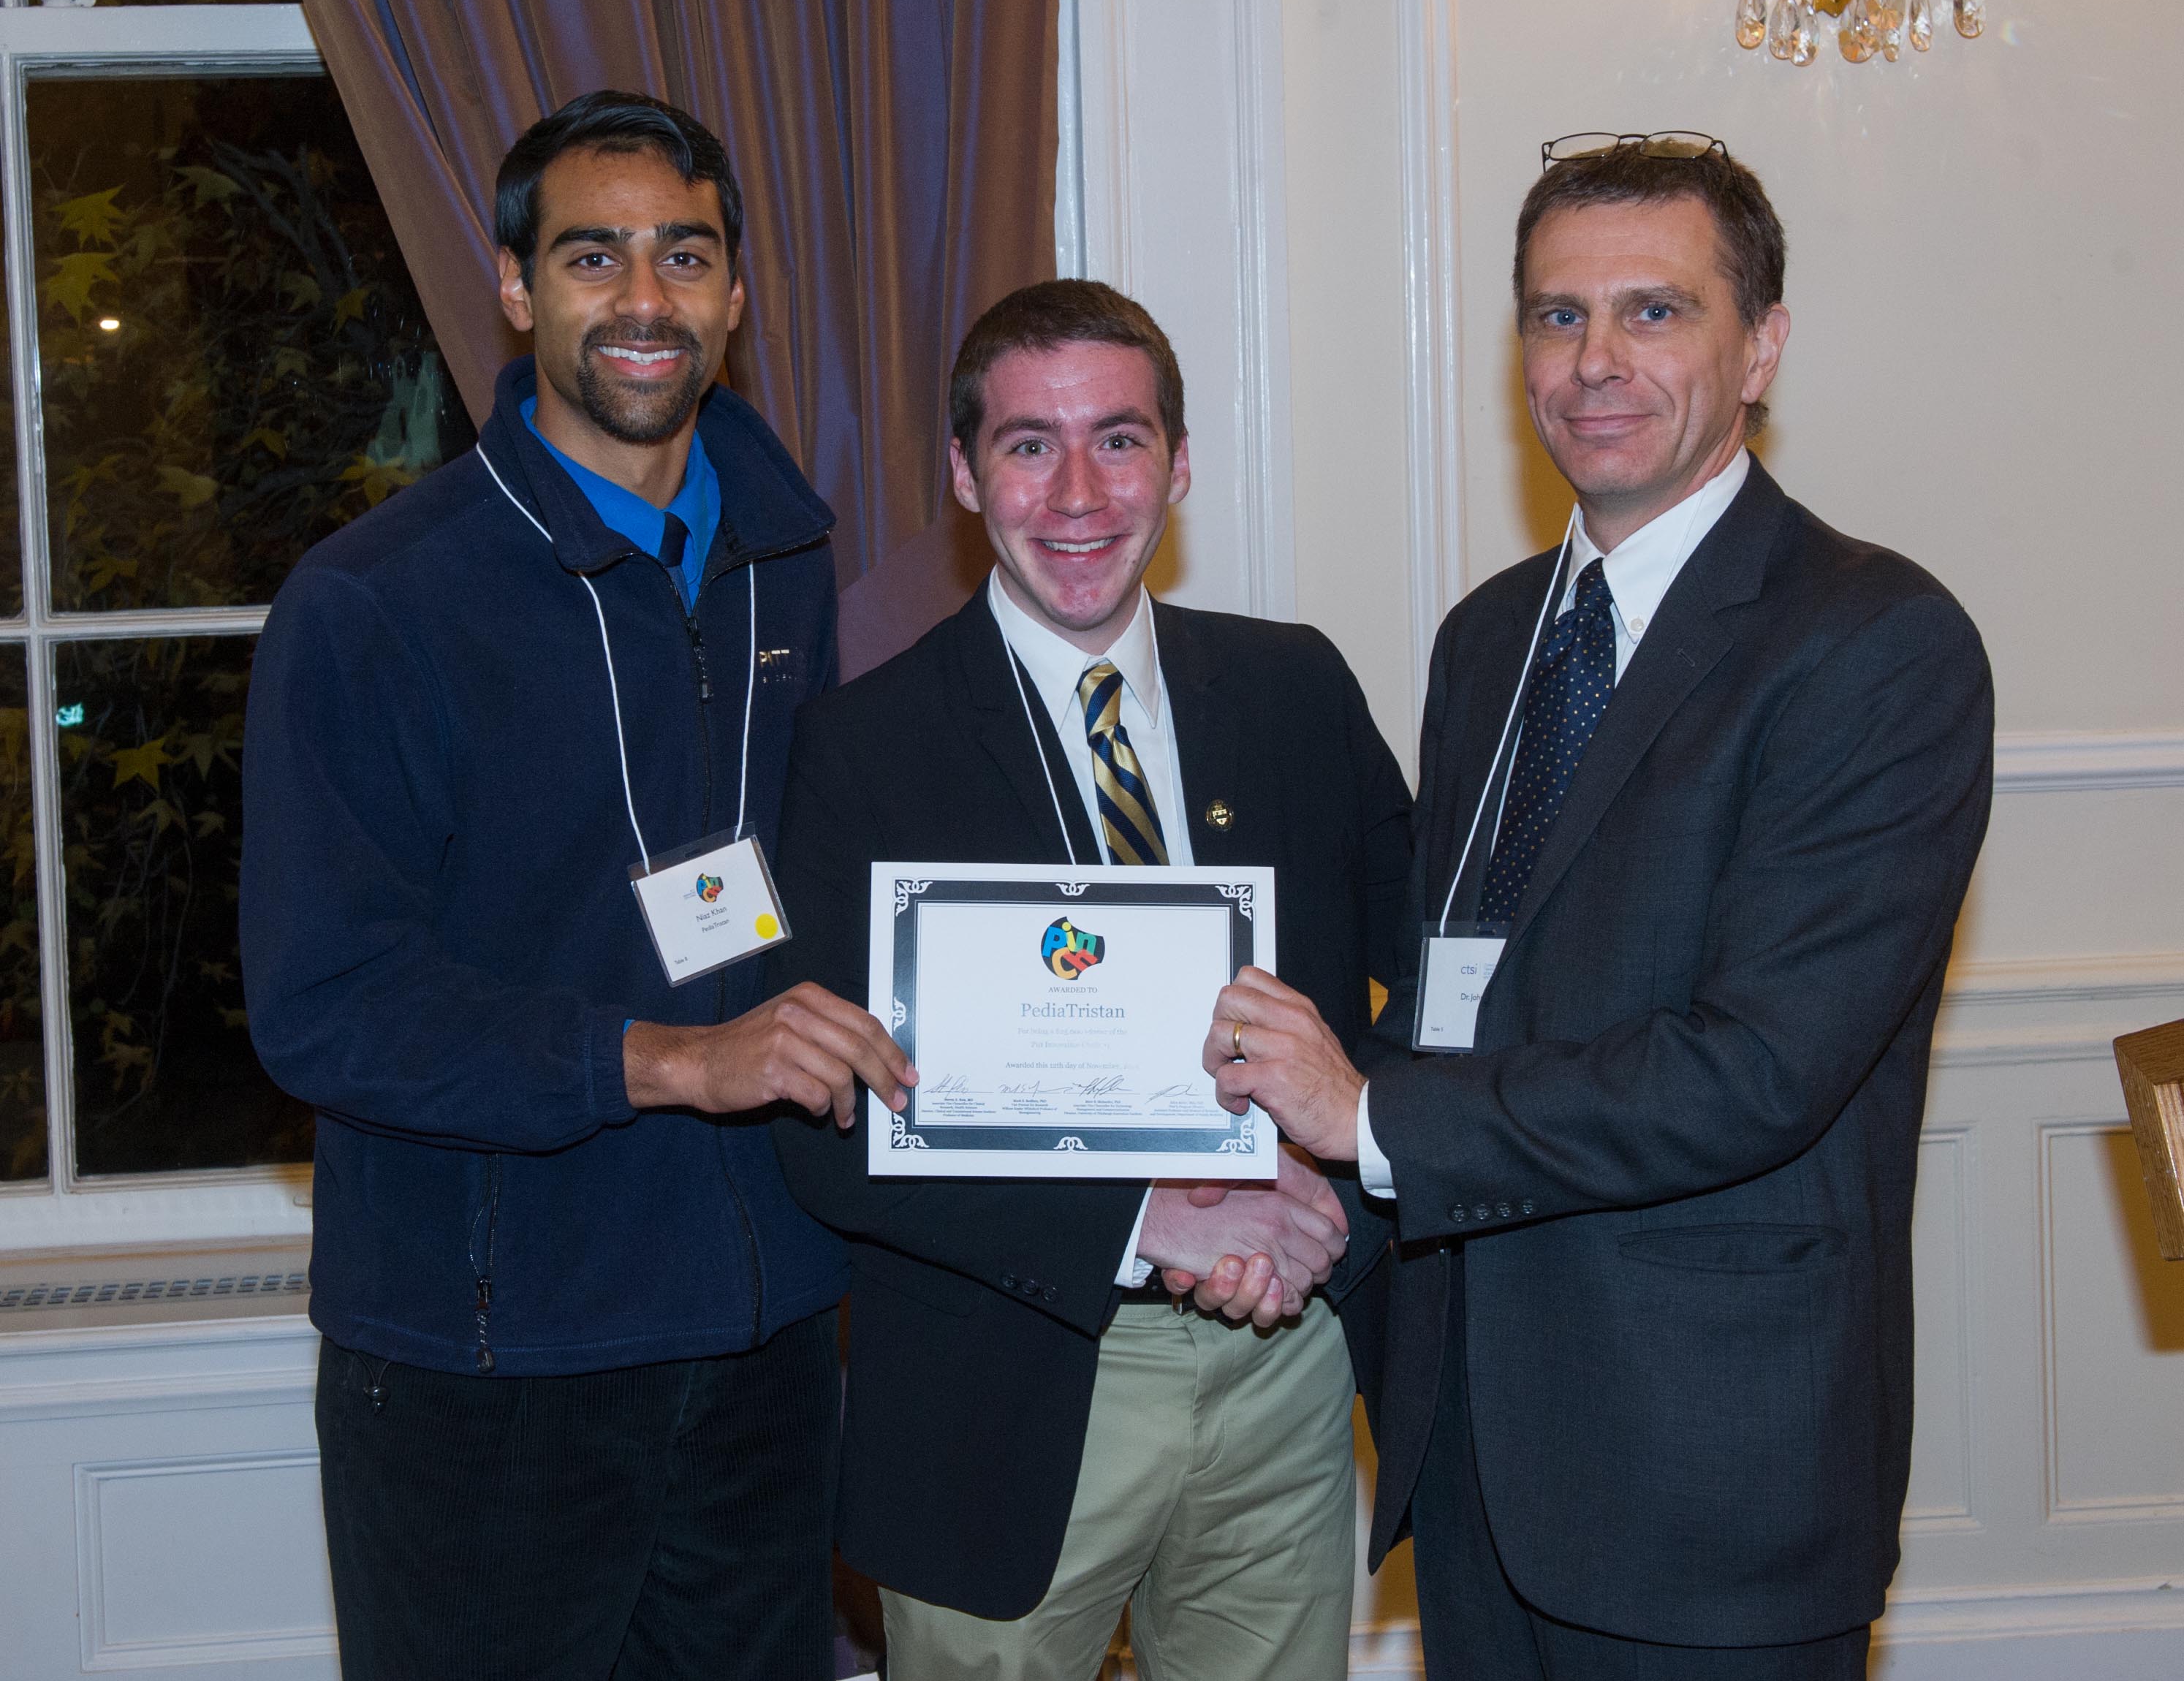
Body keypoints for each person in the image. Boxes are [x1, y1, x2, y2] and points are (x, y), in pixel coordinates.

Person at [1205, 137, 1993, 1679]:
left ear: (1760, 343)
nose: (1596, 363)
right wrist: (1318, 1191)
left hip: (1713, 1470)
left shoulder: (1876, 641)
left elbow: (1757, 1067)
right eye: (1557, 318)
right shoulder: (1490, 638)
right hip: (1481, 1447)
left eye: (1655, 311)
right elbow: (1465, 1004)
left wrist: (1369, 1122)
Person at [240, 91, 910, 1681]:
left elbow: (785, 884)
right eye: (593, 255)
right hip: (492, 1358)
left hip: (758, 1337)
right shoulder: (373, 605)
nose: (644, 296)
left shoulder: (784, 562)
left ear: (737, 295)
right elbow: (324, 1007)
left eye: (685, 254)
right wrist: (673, 1058)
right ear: (518, 286)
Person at [768, 278, 1411, 1681]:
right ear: (962, 473)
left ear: (1180, 465)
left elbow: (1433, 988)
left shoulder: (1296, 691)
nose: (1077, 492)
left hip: (1289, 1360)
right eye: (1026, 444)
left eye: (1119, 440)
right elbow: (814, 1129)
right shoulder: (863, 752)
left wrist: (1346, 1182)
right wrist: (1142, 1219)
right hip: (1008, 1380)